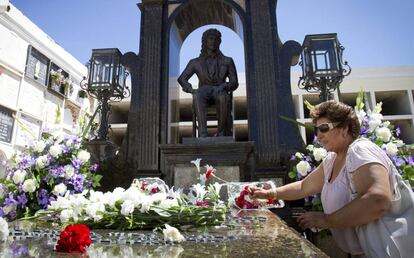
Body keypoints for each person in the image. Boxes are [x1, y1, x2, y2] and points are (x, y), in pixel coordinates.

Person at [249, 100, 395, 257]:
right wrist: (269, 194)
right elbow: (304, 187)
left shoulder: (360, 150)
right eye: (316, 129)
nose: (318, 135)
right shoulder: (332, 160)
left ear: (344, 128)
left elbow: (378, 200)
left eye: (324, 128)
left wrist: (326, 220)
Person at [178, 28, 238, 137]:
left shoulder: (227, 61)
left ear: (219, 42)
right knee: (197, 95)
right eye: (210, 39)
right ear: (205, 42)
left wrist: (225, 85)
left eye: (215, 39)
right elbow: (182, 78)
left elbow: (235, 82)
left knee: (222, 97)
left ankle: (222, 132)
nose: (213, 42)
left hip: (220, 89)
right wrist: (190, 89)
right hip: (204, 90)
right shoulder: (195, 62)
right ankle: (202, 133)